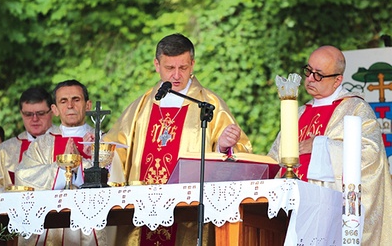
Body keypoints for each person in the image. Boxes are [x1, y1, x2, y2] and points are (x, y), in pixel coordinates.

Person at [103, 33, 252, 245]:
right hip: (143, 209)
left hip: (187, 213)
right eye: (169, 68)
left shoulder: (209, 104)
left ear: (192, 64)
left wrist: (222, 146)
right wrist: (101, 152)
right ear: (156, 65)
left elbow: (240, 152)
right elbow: (116, 148)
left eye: (182, 68)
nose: (176, 76)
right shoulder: (141, 106)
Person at [268, 45, 392, 245]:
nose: (309, 79)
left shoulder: (355, 109)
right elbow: (274, 158)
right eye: (308, 71)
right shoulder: (297, 112)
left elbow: (370, 156)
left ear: (337, 80)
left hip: (329, 212)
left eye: (319, 75)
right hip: (288, 212)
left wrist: (320, 146)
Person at [15, 79, 108, 245]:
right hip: (48, 229)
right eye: (63, 101)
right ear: (55, 109)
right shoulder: (42, 144)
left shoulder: (103, 141)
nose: (70, 106)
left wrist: (84, 163)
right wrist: (62, 167)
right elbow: (22, 177)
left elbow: (116, 180)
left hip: (90, 227)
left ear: (88, 105)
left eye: (76, 99)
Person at [0, 87, 55, 192]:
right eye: (28, 114)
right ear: (21, 114)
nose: (35, 119)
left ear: (52, 111)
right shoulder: (3, 151)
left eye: (40, 113)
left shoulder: (66, 141)